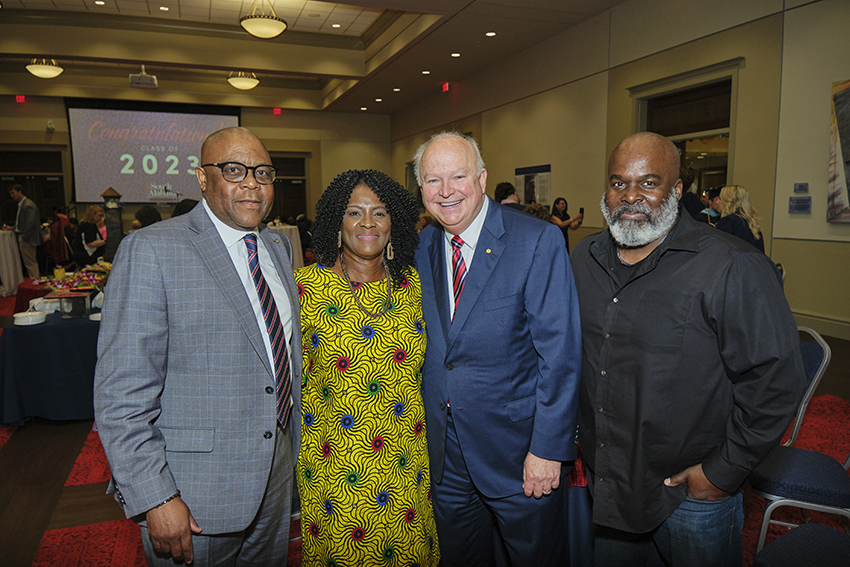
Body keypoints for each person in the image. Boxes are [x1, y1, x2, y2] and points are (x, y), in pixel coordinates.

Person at [570, 132, 806, 567]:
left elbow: (776, 380)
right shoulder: (583, 259)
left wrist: (722, 472)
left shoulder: (731, 265)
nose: (631, 196)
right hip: (610, 487)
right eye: (618, 183)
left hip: (689, 498)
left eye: (649, 182)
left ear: (677, 190)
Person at [94, 126, 302, 566]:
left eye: (263, 172)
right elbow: (121, 393)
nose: (251, 182)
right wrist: (155, 496)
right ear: (203, 179)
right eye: (234, 169)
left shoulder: (278, 248)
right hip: (195, 494)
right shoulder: (151, 250)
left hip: (275, 476)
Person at [412, 131, 582, 566]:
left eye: (458, 176)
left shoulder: (536, 241)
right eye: (433, 181)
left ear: (483, 178)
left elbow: (560, 356)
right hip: (447, 459)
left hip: (520, 457)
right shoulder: (422, 246)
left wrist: (547, 449)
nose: (446, 191)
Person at [295, 169, 440, 566]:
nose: (367, 223)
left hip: (406, 463)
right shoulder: (303, 290)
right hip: (336, 470)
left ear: (394, 224)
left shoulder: (415, 287)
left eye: (379, 213)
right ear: (334, 223)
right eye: (354, 212)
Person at [4, 184, 42, 278]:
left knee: (30, 263)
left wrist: (24, 237)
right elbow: (21, 223)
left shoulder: (28, 205)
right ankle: (35, 281)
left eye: (13, 193)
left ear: (19, 191)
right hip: (25, 237)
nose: (11, 196)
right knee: (29, 262)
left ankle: (35, 282)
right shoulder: (23, 204)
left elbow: (31, 224)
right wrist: (13, 228)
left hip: (27, 239)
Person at [716, 185, 765, 252]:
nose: (717, 202)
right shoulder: (753, 225)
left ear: (729, 202)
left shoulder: (728, 222)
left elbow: (720, 251)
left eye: (720, 198)